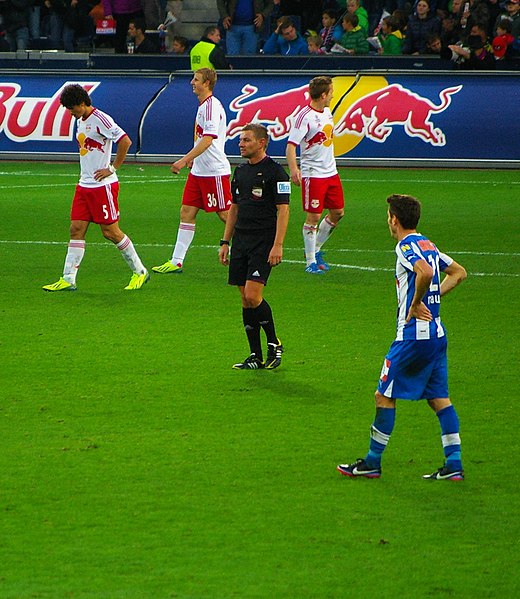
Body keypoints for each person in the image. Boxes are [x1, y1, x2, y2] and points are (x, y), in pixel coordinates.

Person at [337, 194, 467, 481]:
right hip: (437, 335)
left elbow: (425, 272)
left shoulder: (405, 247)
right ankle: (454, 464)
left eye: (388, 216)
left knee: (383, 395)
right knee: (438, 398)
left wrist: (415, 302)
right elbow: (458, 273)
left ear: (394, 219)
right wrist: (433, 296)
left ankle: (372, 462)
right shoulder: (427, 243)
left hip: (412, 339)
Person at [43, 84, 149, 292]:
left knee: (110, 232)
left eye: (72, 108)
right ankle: (68, 278)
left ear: (83, 103)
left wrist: (112, 167)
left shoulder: (101, 119)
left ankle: (140, 272)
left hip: (103, 187)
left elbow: (125, 141)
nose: (71, 113)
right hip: (84, 186)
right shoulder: (81, 120)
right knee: (76, 229)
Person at [218, 123, 289, 370]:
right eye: (240, 140)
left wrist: (277, 244)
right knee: (245, 300)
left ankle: (274, 343)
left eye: (246, 140)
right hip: (241, 241)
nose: (241, 144)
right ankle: (255, 355)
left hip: (263, 242)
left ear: (261, 143)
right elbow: (234, 208)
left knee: (252, 295)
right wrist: (225, 241)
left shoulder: (276, 173)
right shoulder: (240, 172)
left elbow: (283, 210)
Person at [152, 68, 232, 275]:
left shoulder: (211, 107)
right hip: (200, 171)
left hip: (214, 171)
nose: (191, 82)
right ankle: (177, 261)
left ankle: (255, 245)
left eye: (196, 79)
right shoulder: (204, 106)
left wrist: (183, 159)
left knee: (226, 214)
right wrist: (193, 160)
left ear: (206, 83)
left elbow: (208, 139)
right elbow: (201, 137)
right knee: (187, 212)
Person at [286, 76, 344, 275]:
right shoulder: (304, 117)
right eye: (330, 92)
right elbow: (291, 146)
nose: (332, 96)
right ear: (323, 95)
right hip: (314, 174)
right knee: (313, 217)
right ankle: (310, 261)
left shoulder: (326, 112)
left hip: (331, 172)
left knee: (338, 213)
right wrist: (294, 169)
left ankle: (316, 249)